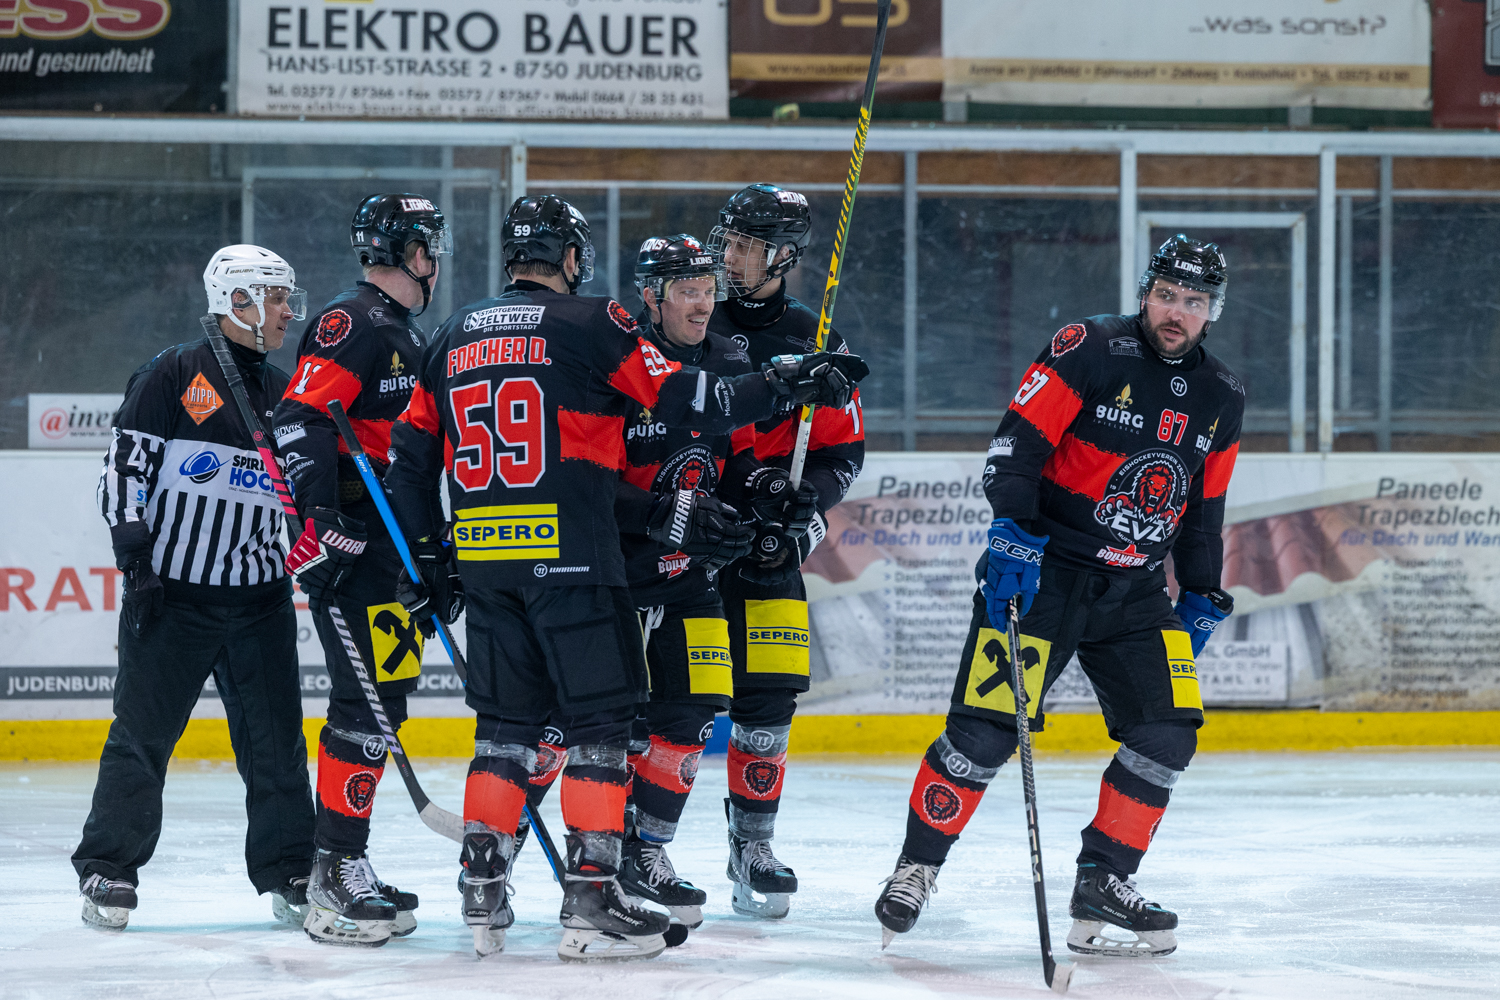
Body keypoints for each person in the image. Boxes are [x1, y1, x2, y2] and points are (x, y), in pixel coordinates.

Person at [383, 195, 865, 961]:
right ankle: (591, 899)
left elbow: (408, 463)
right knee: (602, 729)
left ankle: (483, 889)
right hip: (578, 557)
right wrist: (783, 384)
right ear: (573, 258)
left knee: (504, 732)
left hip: (487, 561)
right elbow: (687, 397)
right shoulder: (592, 322)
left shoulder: (454, 331)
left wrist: (426, 558)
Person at [873, 234, 1245, 958]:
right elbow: (1016, 448)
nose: (1176, 312)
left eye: (1194, 302)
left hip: (1136, 593)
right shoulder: (1090, 347)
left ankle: (1104, 879)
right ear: (1145, 293)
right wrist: (1012, 532)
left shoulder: (1222, 394)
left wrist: (1202, 590)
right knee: (985, 731)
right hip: (1045, 575)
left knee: (1168, 733)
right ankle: (917, 867)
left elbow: (1204, 508)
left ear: (1213, 311)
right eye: (1166, 295)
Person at [519, 235, 762, 940]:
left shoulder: (729, 358)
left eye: (709, 289)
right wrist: (666, 514)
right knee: (572, 727)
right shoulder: (613, 360)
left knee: (692, 718)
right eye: (686, 290)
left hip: (690, 580)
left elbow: (739, 462)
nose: (703, 304)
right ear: (651, 297)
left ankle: (644, 854)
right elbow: (583, 483)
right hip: (611, 575)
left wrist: (764, 497)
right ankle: (498, 846)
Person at [76, 245, 315, 931]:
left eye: (285, 297)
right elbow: (125, 468)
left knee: (276, 748)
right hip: (173, 596)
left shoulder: (284, 390)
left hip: (260, 600)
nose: (286, 311)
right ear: (237, 300)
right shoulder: (174, 373)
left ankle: (290, 870)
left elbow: (300, 492)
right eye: (274, 297)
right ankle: (108, 867)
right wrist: (134, 558)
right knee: (142, 739)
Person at [271, 193, 455, 947]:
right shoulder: (353, 322)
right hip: (356, 546)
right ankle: (333, 872)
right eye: (430, 245)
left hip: (393, 548)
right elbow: (299, 419)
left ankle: (348, 858)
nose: (436, 260)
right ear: (410, 251)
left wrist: (432, 547)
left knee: (386, 702)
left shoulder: (408, 332)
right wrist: (321, 520)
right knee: (364, 703)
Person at [705, 183, 865, 918]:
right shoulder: (689, 315)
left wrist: (810, 505)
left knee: (768, 699)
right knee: (665, 705)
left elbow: (844, 452)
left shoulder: (814, 335)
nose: (732, 257)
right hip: (690, 539)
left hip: (768, 544)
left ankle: (753, 845)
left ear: (783, 256)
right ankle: (641, 844)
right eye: (730, 241)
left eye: (748, 245)